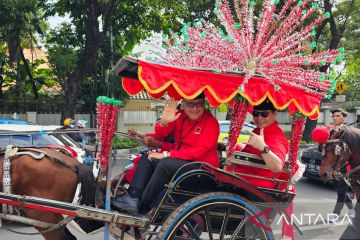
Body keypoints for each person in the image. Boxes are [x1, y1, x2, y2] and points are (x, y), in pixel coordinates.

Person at [111, 93, 220, 215]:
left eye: (199, 104)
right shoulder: (180, 117)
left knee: (165, 164)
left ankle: (142, 205)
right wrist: (163, 123)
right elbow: (161, 135)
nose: (195, 108)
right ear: (183, 104)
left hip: (202, 169)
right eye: (191, 104)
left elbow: (197, 151)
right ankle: (132, 197)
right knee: (147, 158)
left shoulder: (211, 123)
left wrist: (166, 154)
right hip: (182, 163)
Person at [230, 98, 289, 189]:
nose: (259, 118)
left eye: (264, 114)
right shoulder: (259, 130)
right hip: (241, 175)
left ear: (275, 113)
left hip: (254, 184)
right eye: (256, 114)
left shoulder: (276, 136)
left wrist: (263, 147)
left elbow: (277, 167)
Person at [327, 108, 355, 222]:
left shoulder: (348, 132)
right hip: (332, 166)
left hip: (344, 166)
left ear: (344, 118)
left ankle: (335, 214)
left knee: (341, 192)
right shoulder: (330, 130)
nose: (335, 118)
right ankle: (352, 209)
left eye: (338, 116)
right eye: (334, 116)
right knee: (340, 191)